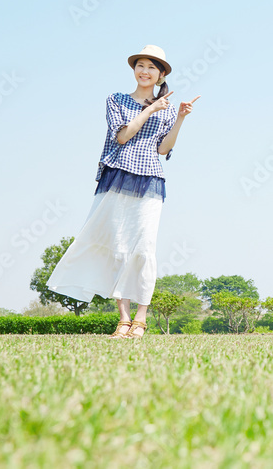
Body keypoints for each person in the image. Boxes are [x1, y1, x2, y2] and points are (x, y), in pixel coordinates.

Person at [46, 45, 200, 339]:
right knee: (118, 249)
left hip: (150, 180)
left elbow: (163, 148)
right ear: (134, 70)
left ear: (161, 74)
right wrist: (151, 109)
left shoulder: (167, 107)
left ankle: (141, 319)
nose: (145, 71)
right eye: (140, 65)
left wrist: (179, 117)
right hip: (117, 177)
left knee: (143, 248)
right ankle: (124, 320)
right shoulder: (116, 100)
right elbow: (123, 135)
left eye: (152, 67)